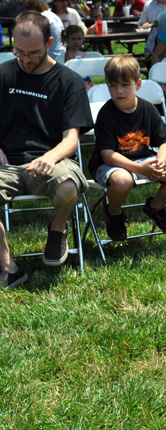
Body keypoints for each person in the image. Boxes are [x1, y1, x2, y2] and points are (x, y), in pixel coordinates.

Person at [0, 11, 92, 288]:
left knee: (68, 187)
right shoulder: (3, 74)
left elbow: (71, 139)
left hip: (53, 158)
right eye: (19, 52)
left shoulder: (69, 82)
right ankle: (8, 266)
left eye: (34, 53)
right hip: (7, 164)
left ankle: (58, 227)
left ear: (50, 42)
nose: (26, 59)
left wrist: (49, 157)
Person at [87, 55, 166, 241]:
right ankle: (114, 213)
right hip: (110, 164)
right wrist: (141, 169)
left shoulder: (148, 109)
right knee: (122, 181)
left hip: (143, 159)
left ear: (138, 84)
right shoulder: (106, 114)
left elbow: (165, 143)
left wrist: (161, 162)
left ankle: (156, 206)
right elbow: (108, 155)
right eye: (113, 85)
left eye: (125, 85)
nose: (119, 91)